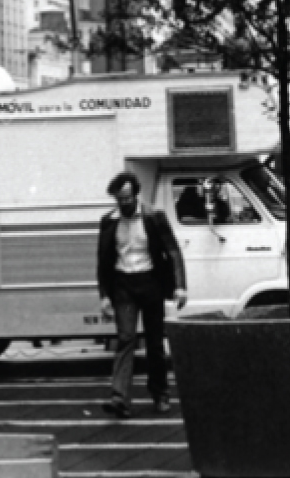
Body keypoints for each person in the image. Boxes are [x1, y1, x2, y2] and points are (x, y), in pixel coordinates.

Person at [97, 172, 188, 419]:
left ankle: (160, 394)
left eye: (127, 198)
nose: (124, 203)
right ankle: (119, 398)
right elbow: (103, 262)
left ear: (135, 195)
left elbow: (173, 251)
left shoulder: (153, 217)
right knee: (125, 338)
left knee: (155, 343)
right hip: (123, 285)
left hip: (150, 283)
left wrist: (180, 286)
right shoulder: (108, 221)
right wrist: (104, 295)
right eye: (119, 199)